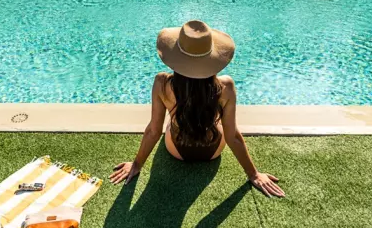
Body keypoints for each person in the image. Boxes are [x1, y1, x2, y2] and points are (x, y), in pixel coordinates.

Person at [110, 20, 285, 198]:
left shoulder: (161, 83)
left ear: (176, 57)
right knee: (214, 120)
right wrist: (253, 174)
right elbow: (232, 136)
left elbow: (153, 131)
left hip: (177, 150)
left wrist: (137, 164)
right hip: (213, 151)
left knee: (174, 118)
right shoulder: (226, 86)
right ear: (212, 59)